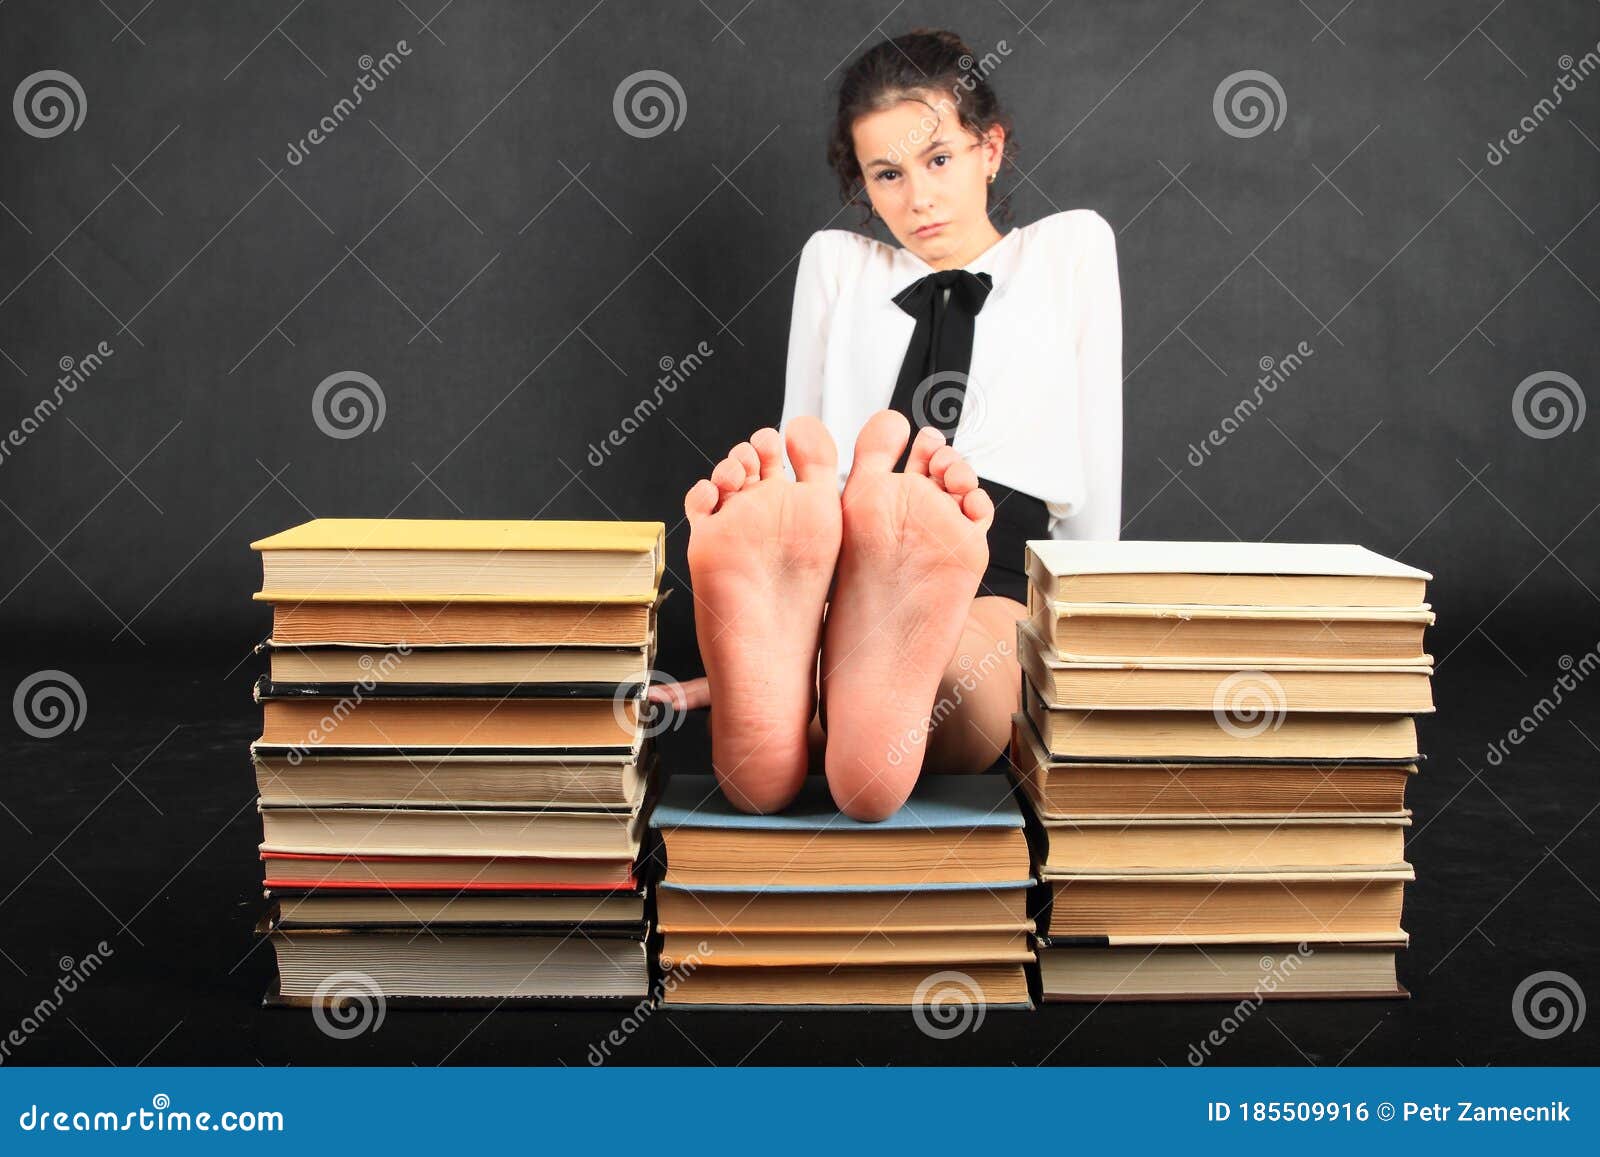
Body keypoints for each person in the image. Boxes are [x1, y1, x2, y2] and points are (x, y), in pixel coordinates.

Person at [649, 28, 1123, 821]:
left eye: (939, 160)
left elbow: (1096, 467)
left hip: (998, 557)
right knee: (935, 679)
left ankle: (804, 698)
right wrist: (808, 556)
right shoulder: (839, 264)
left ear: (990, 149)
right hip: (842, 551)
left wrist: (1089, 629)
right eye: (887, 175)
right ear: (863, 185)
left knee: (968, 673)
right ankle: (810, 664)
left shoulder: (1066, 251)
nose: (918, 198)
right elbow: (796, 467)